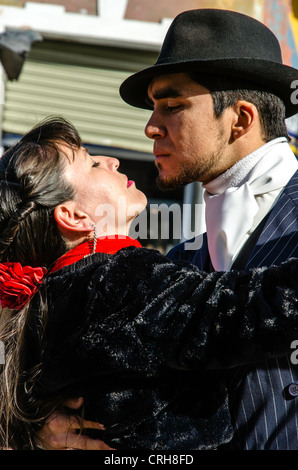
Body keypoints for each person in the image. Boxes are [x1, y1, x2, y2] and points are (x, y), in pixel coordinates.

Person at [0, 116, 298, 450]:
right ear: (74, 217)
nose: (112, 160)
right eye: (94, 163)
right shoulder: (122, 280)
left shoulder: (45, 297)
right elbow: (243, 313)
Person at [119, 8, 298, 449]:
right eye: (154, 108)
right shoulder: (179, 260)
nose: (150, 127)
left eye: (172, 106)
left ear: (240, 119)